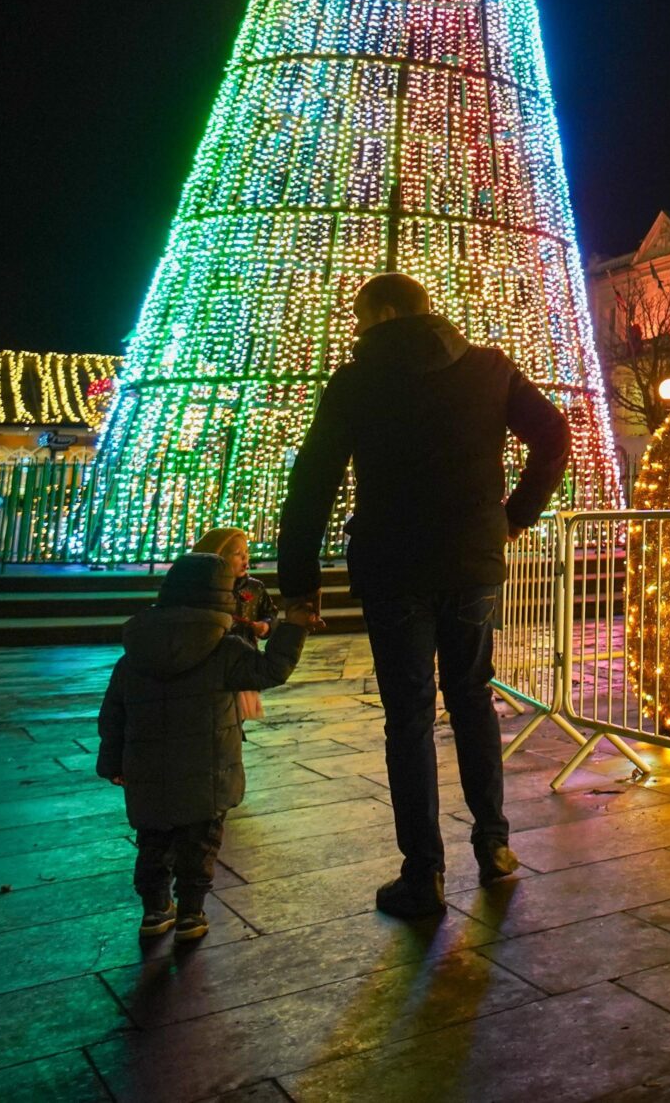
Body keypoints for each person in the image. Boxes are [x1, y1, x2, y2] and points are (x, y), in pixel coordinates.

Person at [277, 271, 571, 921]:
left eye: (360, 319)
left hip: (392, 567)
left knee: (408, 715)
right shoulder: (490, 368)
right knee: (471, 697)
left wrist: (298, 582)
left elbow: (313, 483)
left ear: (382, 313)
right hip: (471, 562)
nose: (357, 332)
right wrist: (514, 514)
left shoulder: (354, 383)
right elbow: (554, 436)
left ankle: (424, 873)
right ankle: (494, 846)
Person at [96, 550, 314, 942]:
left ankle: (155, 909)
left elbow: (113, 711)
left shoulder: (135, 653)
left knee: (152, 841)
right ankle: (191, 914)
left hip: (147, 772)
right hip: (207, 771)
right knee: (199, 844)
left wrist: (112, 760)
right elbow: (271, 670)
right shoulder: (224, 648)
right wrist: (294, 628)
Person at [192, 528, 283, 719]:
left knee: (236, 715)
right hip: (212, 662)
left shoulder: (254, 588)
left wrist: (266, 626)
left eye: (246, 553)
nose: (245, 559)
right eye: (237, 554)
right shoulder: (205, 589)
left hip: (243, 660)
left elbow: (271, 613)